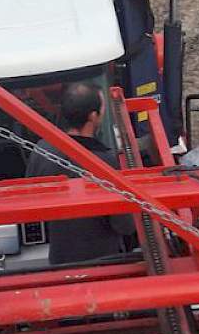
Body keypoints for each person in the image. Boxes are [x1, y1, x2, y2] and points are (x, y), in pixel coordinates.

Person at [25, 82, 136, 264]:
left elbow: (31, 206)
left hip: (59, 261)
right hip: (103, 263)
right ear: (93, 117)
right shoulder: (105, 163)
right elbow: (124, 225)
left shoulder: (42, 150)